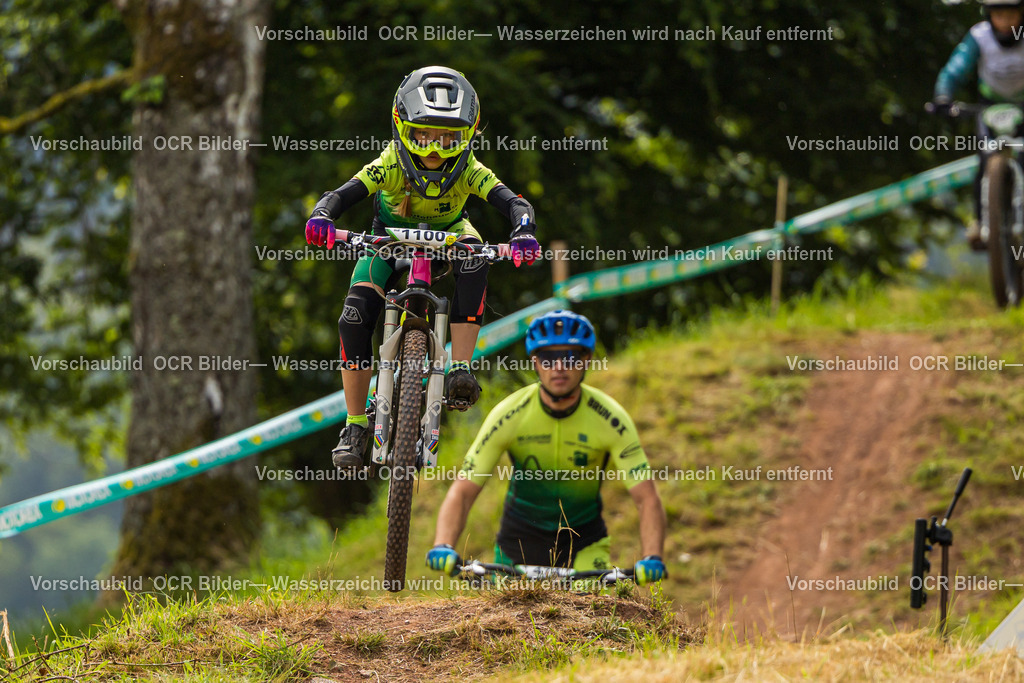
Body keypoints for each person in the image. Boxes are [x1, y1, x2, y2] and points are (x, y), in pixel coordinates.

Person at [305, 66, 541, 469]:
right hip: (388, 239)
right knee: (354, 314)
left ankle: (461, 369)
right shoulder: (389, 163)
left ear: (467, 135)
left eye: (448, 137)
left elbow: (514, 204)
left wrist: (523, 233)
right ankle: (355, 423)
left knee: (476, 254)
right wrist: (323, 216)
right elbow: (342, 195)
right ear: (402, 127)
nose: (434, 148)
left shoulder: (469, 169)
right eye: (424, 134)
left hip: (450, 236)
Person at [425, 310, 668, 585]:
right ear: (535, 362)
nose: (559, 366)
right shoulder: (510, 413)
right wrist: (443, 544)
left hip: (585, 547)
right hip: (516, 545)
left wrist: (652, 556)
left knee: (593, 622)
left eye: (570, 357)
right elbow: (463, 491)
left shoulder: (611, 418)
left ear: (587, 359)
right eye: (549, 358)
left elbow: (646, 497)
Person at [934, 0, 1024, 249]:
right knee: (985, 160)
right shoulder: (979, 36)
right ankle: (981, 221)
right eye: (999, 15)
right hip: (989, 107)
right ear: (989, 15)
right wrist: (944, 96)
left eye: (1011, 14)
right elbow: (956, 68)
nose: (1006, 21)